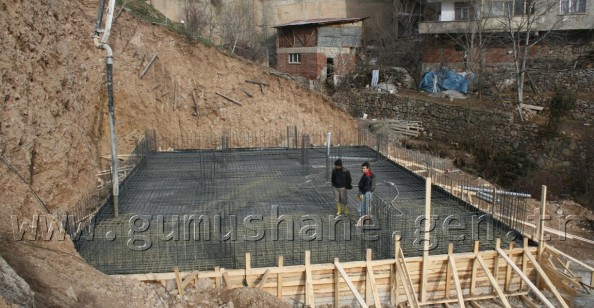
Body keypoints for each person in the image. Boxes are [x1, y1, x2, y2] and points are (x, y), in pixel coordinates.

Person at [357, 161, 374, 226]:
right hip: (363, 193)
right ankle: (364, 221)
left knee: (364, 208)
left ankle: (365, 221)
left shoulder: (368, 176)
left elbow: (366, 187)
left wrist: (361, 193)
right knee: (363, 207)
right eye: (362, 168)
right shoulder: (366, 175)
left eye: (364, 168)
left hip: (365, 193)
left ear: (368, 169)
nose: (362, 169)